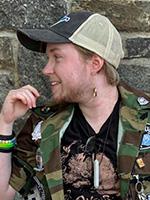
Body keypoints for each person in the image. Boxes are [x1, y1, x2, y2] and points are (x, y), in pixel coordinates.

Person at [0, 10, 149, 200]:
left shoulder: (145, 117)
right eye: (48, 59)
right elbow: (3, 194)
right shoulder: (43, 124)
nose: (46, 69)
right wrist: (5, 123)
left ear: (95, 63)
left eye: (57, 57)